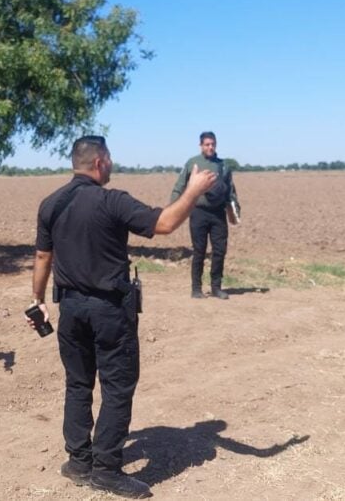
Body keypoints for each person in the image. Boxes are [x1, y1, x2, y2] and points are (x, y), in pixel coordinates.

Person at [28, 135, 216, 498]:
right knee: (116, 387)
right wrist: (192, 191)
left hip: (70, 309)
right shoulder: (112, 201)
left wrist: (37, 299)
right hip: (109, 310)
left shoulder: (50, 203)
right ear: (100, 162)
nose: (112, 165)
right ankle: (107, 470)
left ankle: (78, 462)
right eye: (110, 159)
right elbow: (163, 224)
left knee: (78, 384)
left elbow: (41, 258)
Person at [171, 131, 240, 300]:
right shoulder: (193, 163)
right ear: (201, 145)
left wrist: (236, 211)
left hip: (218, 214)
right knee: (199, 251)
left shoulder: (223, 165)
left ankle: (216, 287)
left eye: (213, 144)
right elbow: (179, 186)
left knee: (219, 251)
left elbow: (231, 191)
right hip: (198, 212)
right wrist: (172, 208)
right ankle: (196, 288)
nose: (210, 147)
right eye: (207, 144)